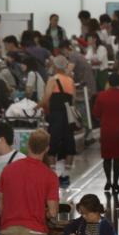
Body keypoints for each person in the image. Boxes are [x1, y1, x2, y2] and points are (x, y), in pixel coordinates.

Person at [0, 129, 60, 235]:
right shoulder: (50, 175)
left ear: (27, 145)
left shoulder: (8, 170)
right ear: (47, 148)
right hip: (36, 231)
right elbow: (53, 212)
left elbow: (0, 205)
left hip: (9, 229)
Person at [93, 72, 119, 192]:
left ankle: (108, 181)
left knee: (107, 157)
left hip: (106, 129)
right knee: (118, 157)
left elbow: (96, 113)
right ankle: (116, 183)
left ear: (109, 83)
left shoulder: (101, 96)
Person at [41, 55, 76, 187]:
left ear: (55, 66)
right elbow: (73, 101)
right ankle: (66, 175)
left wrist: (38, 107)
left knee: (53, 143)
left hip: (55, 115)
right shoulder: (70, 80)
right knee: (69, 144)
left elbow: (45, 99)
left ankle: (53, 174)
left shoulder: (52, 79)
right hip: (68, 116)